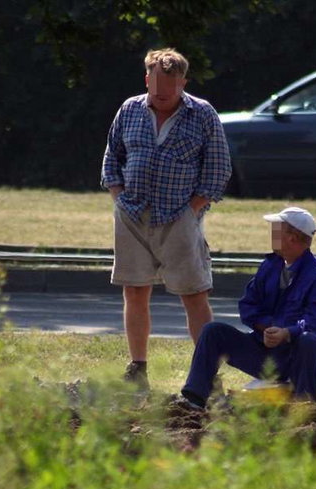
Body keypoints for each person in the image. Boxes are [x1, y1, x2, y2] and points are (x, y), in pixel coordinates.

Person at [101, 48, 232, 390]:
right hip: (132, 213)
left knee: (194, 294)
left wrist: (192, 209)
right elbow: (111, 159)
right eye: (156, 86)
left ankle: (209, 374)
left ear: (183, 83)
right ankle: (137, 368)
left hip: (179, 216)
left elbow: (218, 169)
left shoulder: (202, 114)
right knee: (135, 290)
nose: (162, 94)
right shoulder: (129, 109)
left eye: (170, 87)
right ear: (147, 79)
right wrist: (119, 199)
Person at [174, 207, 316, 411]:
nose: (271, 233)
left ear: (292, 238)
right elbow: (248, 306)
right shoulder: (269, 266)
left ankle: (302, 405)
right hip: (268, 352)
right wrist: (266, 328)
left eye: (277, 230)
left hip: (303, 359)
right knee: (212, 332)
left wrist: (287, 333)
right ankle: (195, 399)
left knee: (309, 341)